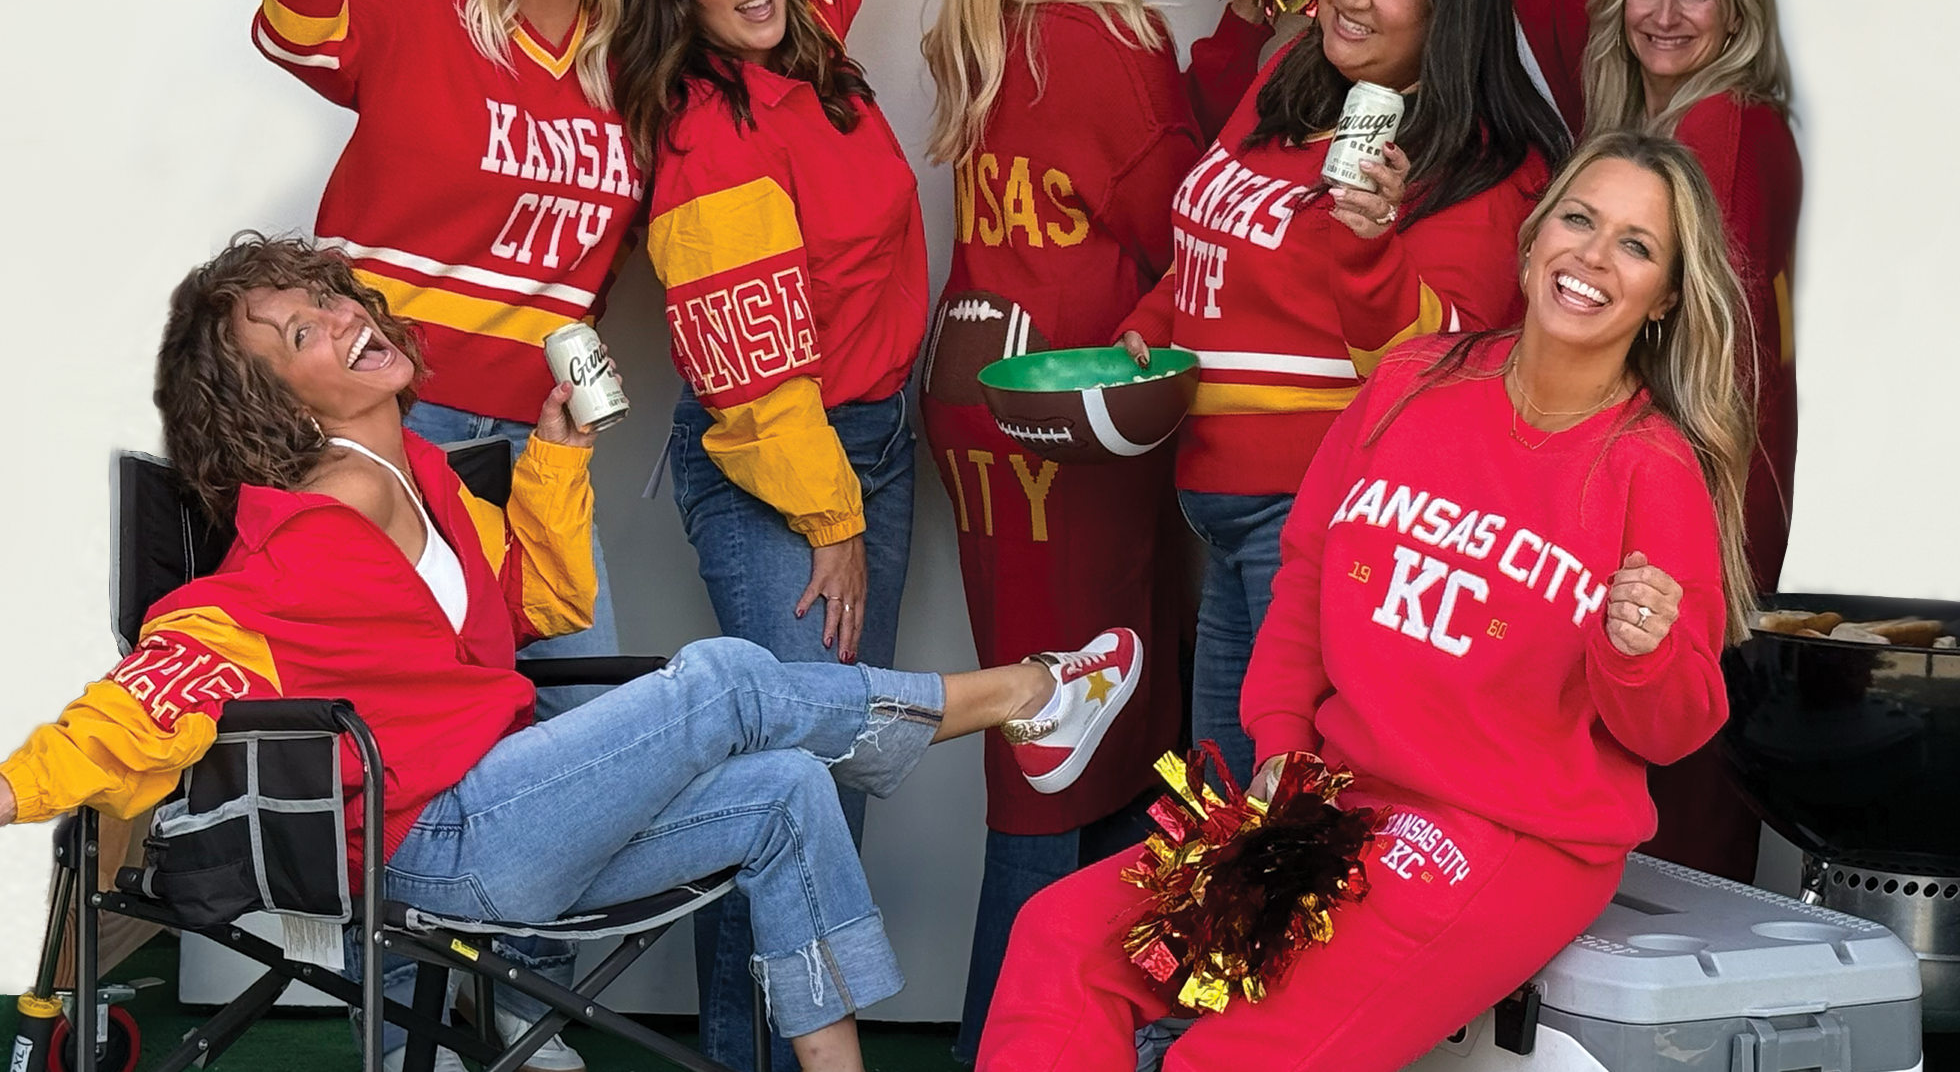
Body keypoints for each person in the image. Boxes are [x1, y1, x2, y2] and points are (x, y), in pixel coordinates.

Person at [0, 236, 1144, 1072]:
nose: (340, 318)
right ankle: (1019, 695)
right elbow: (155, 686)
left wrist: (552, 456)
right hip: (442, 843)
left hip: (527, 823)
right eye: (299, 333)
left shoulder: (426, 480)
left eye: (326, 298)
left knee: (788, 788)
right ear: (273, 404)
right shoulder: (289, 542)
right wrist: (11, 790)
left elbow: (536, 603)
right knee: (720, 678)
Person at [981, 130, 1754, 1072]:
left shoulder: (1652, 467)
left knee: (1232, 1061)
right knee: (1063, 941)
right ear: (1535, 236)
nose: (1593, 256)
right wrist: (1280, 746)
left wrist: (1640, 651)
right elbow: (1309, 569)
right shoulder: (1411, 380)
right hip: (1334, 795)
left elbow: (1674, 728)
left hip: (1506, 835)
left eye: (1635, 245)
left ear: (1666, 294)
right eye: (1579, 220)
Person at [1423, 0, 1801, 882]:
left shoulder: (1724, 126)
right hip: (1657, 462)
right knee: (1611, 724)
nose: (1664, 14)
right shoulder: (1635, 115)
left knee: (1666, 748)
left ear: (1737, 12)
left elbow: (1688, 339)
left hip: (1698, 470)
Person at [608, 0, 920, 1065]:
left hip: (874, 442)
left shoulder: (806, 38)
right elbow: (753, 377)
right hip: (788, 469)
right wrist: (833, 520)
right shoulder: (711, 134)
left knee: (832, 781)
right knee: (788, 791)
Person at [918, 0, 1268, 1062]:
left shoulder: (983, 31)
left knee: (1057, 720)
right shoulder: (1104, 36)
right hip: (1077, 416)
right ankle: (1014, 1045)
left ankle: (1059, 1035)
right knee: (1070, 740)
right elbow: (1192, 210)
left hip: (980, 389)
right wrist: (1260, 47)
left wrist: (1233, 27)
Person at [1117, 0, 1573, 791]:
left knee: (1287, 813)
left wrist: (1370, 247)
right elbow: (1212, 232)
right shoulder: (1295, 75)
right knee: (1222, 810)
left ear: (1448, 14)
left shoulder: (1488, 163)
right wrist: (1149, 323)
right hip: (1216, 508)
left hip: (1317, 518)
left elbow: (1435, 373)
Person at [250, 0, 645, 718]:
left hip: (540, 443)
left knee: (587, 713)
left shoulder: (636, 64)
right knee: (420, 710)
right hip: (395, 422)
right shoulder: (423, 13)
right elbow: (294, 34)